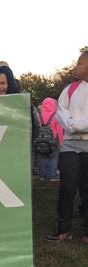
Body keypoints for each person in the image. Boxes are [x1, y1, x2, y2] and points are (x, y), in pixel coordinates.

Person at [46, 50, 88, 244]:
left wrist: (78, 125)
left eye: (79, 63)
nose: (75, 67)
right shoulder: (69, 89)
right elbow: (60, 112)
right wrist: (73, 125)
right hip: (70, 146)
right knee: (67, 188)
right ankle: (63, 229)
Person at [36, 98, 63, 181]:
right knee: (53, 157)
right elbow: (59, 129)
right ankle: (53, 176)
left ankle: (42, 176)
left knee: (41, 157)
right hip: (53, 139)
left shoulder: (39, 115)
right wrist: (61, 142)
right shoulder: (56, 115)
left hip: (40, 139)